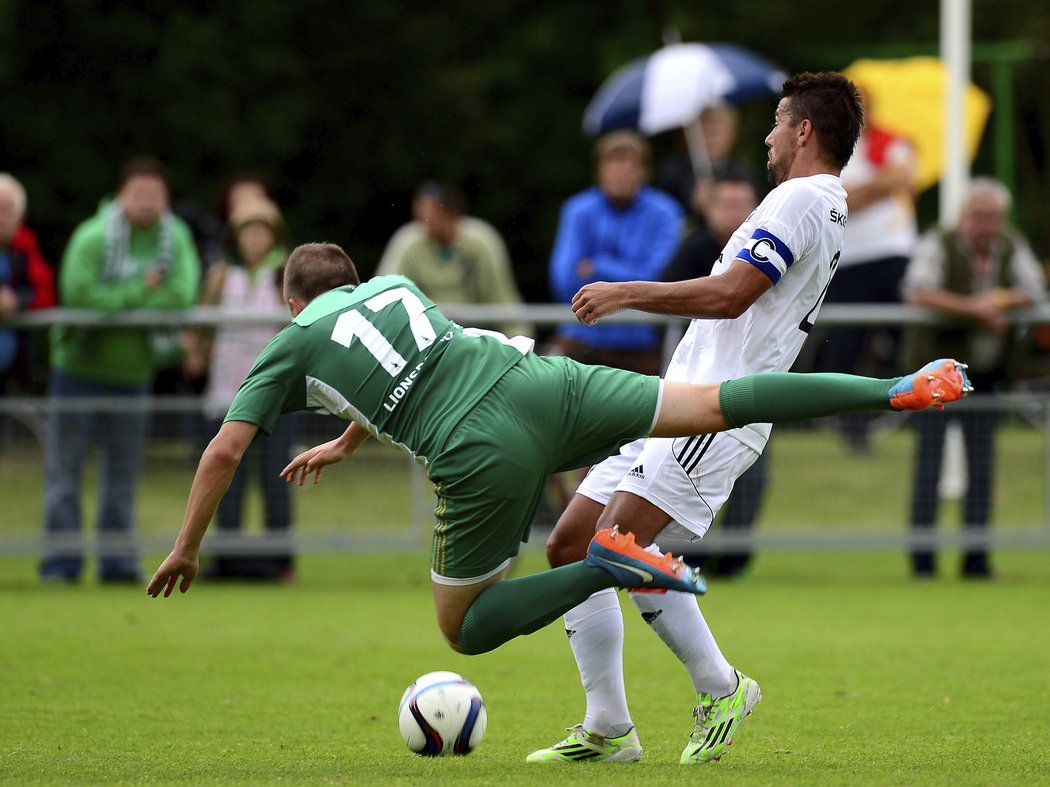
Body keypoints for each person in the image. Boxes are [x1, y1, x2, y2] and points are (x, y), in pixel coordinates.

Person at [146, 242, 970, 662]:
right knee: (714, 403)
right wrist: (349, 433)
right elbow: (416, 356)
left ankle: (618, 564)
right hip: (542, 381)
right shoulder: (393, 288)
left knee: (463, 626)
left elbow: (223, 449)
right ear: (352, 279)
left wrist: (188, 545)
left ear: (293, 301)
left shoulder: (291, 340)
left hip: (478, 448)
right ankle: (893, 385)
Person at [528, 71, 866, 766]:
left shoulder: (800, 198)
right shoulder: (816, 202)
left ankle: (721, 685)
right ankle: (608, 725)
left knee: (614, 543)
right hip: (675, 400)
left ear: (804, 131)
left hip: (716, 411)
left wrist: (627, 290)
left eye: (776, 122)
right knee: (569, 543)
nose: (768, 136)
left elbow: (732, 294)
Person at [41, 156, 201, 583]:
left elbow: (181, 295)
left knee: (122, 478)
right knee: (63, 475)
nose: (146, 204)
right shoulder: (92, 236)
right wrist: (139, 289)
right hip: (76, 373)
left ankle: (116, 565)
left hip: (134, 380)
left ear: (166, 200)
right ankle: (61, 565)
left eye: (155, 196)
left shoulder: (177, 237)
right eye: (138, 195)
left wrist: (118, 300)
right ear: (120, 196)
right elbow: (79, 294)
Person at [902, 177, 1047, 579]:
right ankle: (923, 561)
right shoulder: (939, 242)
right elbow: (918, 290)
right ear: (964, 215)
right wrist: (974, 309)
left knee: (982, 468)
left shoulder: (1010, 245)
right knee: (928, 466)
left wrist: (997, 300)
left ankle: (976, 559)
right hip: (934, 375)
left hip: (986, 374)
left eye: (993, 218)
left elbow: (1034, 288)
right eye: (979, 216)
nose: (986, 225)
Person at [183, 196, 296, 581]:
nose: (254, 239)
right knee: (225, 477)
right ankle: (226, 557)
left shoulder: (286, 274)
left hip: (276, 396)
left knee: (276, 478)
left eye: (262, 231)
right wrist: (196, 352)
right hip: (226, 393)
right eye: (247, 231)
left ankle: (281, 561)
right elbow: (201, 324)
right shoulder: (219, 275)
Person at [659, 173, 766, 578]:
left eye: (743, 203)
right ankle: (686, 552)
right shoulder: (694, 249)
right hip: (697, 384)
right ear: (707, 208)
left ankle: (736, 555)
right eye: (726, 203)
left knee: (751, 469)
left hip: (748, 379)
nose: (735, 212)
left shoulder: (769, 246)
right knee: (685, 465)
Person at [817, 88, 919, 452]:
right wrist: (883, 185)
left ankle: (917, 406)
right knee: (847, 343)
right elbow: (839, 199)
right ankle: (850, 425)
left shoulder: (891, 141)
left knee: (906, 338)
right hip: (849, 259)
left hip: (893, 254)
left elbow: (905, 183)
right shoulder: (832, 148)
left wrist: (857, 193)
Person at [548, 130, 683, 375]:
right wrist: (631, 280)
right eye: (613, 163)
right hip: (581, 339)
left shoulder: (665, 212)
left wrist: (598, 266)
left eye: (629, 164)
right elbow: (563, 280)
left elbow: (660, 278)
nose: (621, 172)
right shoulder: (577, 210)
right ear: (599, 170)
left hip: (641, 344)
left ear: (644, 171)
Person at [376, 181, 530, 338]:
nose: (424, 219)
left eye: (432, 215)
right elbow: (387, 294)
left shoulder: (480, 240)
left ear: (453, 214)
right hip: (425, 336)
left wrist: (519, 341)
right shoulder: (408, 241)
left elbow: (501, 296)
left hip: (475, 335)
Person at [0, 173, 56, 394]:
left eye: (8, 210)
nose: (1, 217)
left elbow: (46, 294)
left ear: (21, 215)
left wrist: (16, 302)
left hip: (10, 368)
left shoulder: (25, 247)